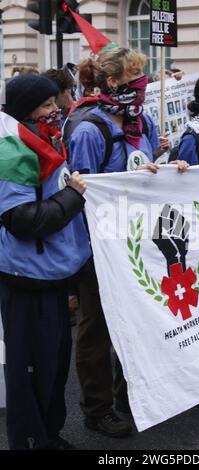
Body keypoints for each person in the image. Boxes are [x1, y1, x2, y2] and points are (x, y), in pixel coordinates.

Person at [68, 47, 188, 438]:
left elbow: (147, 170)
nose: (144, 82)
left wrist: (167, 164)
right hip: (100, 246)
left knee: (137, 322)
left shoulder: (143, 120)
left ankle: (127, 395)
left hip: (139, 240)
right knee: (98, 329)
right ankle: (96, 407)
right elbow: (83, 191)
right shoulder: (90, 129)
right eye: (136, 75)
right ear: (114, 81)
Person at [0, 74, 91, 449]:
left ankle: (49, 432)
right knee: (30, 369)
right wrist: (73, 197)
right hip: (26, 277)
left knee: (54, 366)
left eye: (56, 102)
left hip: (52, 272)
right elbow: (22, 221)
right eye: (48, 105)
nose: (57, 110)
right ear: (27, 110)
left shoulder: (45, 140)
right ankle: (31, 439)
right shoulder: (13, 150)